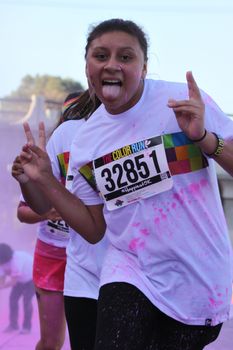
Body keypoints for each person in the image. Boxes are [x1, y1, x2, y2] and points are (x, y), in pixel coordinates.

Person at [16, 18, 233, 350]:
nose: (112, 65)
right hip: (130, 267)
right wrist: (46, 178)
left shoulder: (182, 101)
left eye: (126, 57)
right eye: (101, 56)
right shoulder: (87, 141)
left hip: (197, 276)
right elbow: (92, 229)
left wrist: (203, 138)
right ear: (87, 66)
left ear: (144, 67)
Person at [13, 90, 107, 350]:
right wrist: (46, 211)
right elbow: (22, 212)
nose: (76, 122)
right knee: (52, 341)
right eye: (71, 117)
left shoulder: (100, 148)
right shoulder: (52, 154)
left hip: (93, 257)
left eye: (82, 115)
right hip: (52, 255)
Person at [0, 243, 34, 334]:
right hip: (19, 280)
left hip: (31, 279)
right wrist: (1, 286)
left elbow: (12, 282)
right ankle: (13, 325)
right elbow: (2, 279)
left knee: (26, 301)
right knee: (13, 300)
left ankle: (27, 327)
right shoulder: (1, 262)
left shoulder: (17, 259)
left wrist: (2, 287)